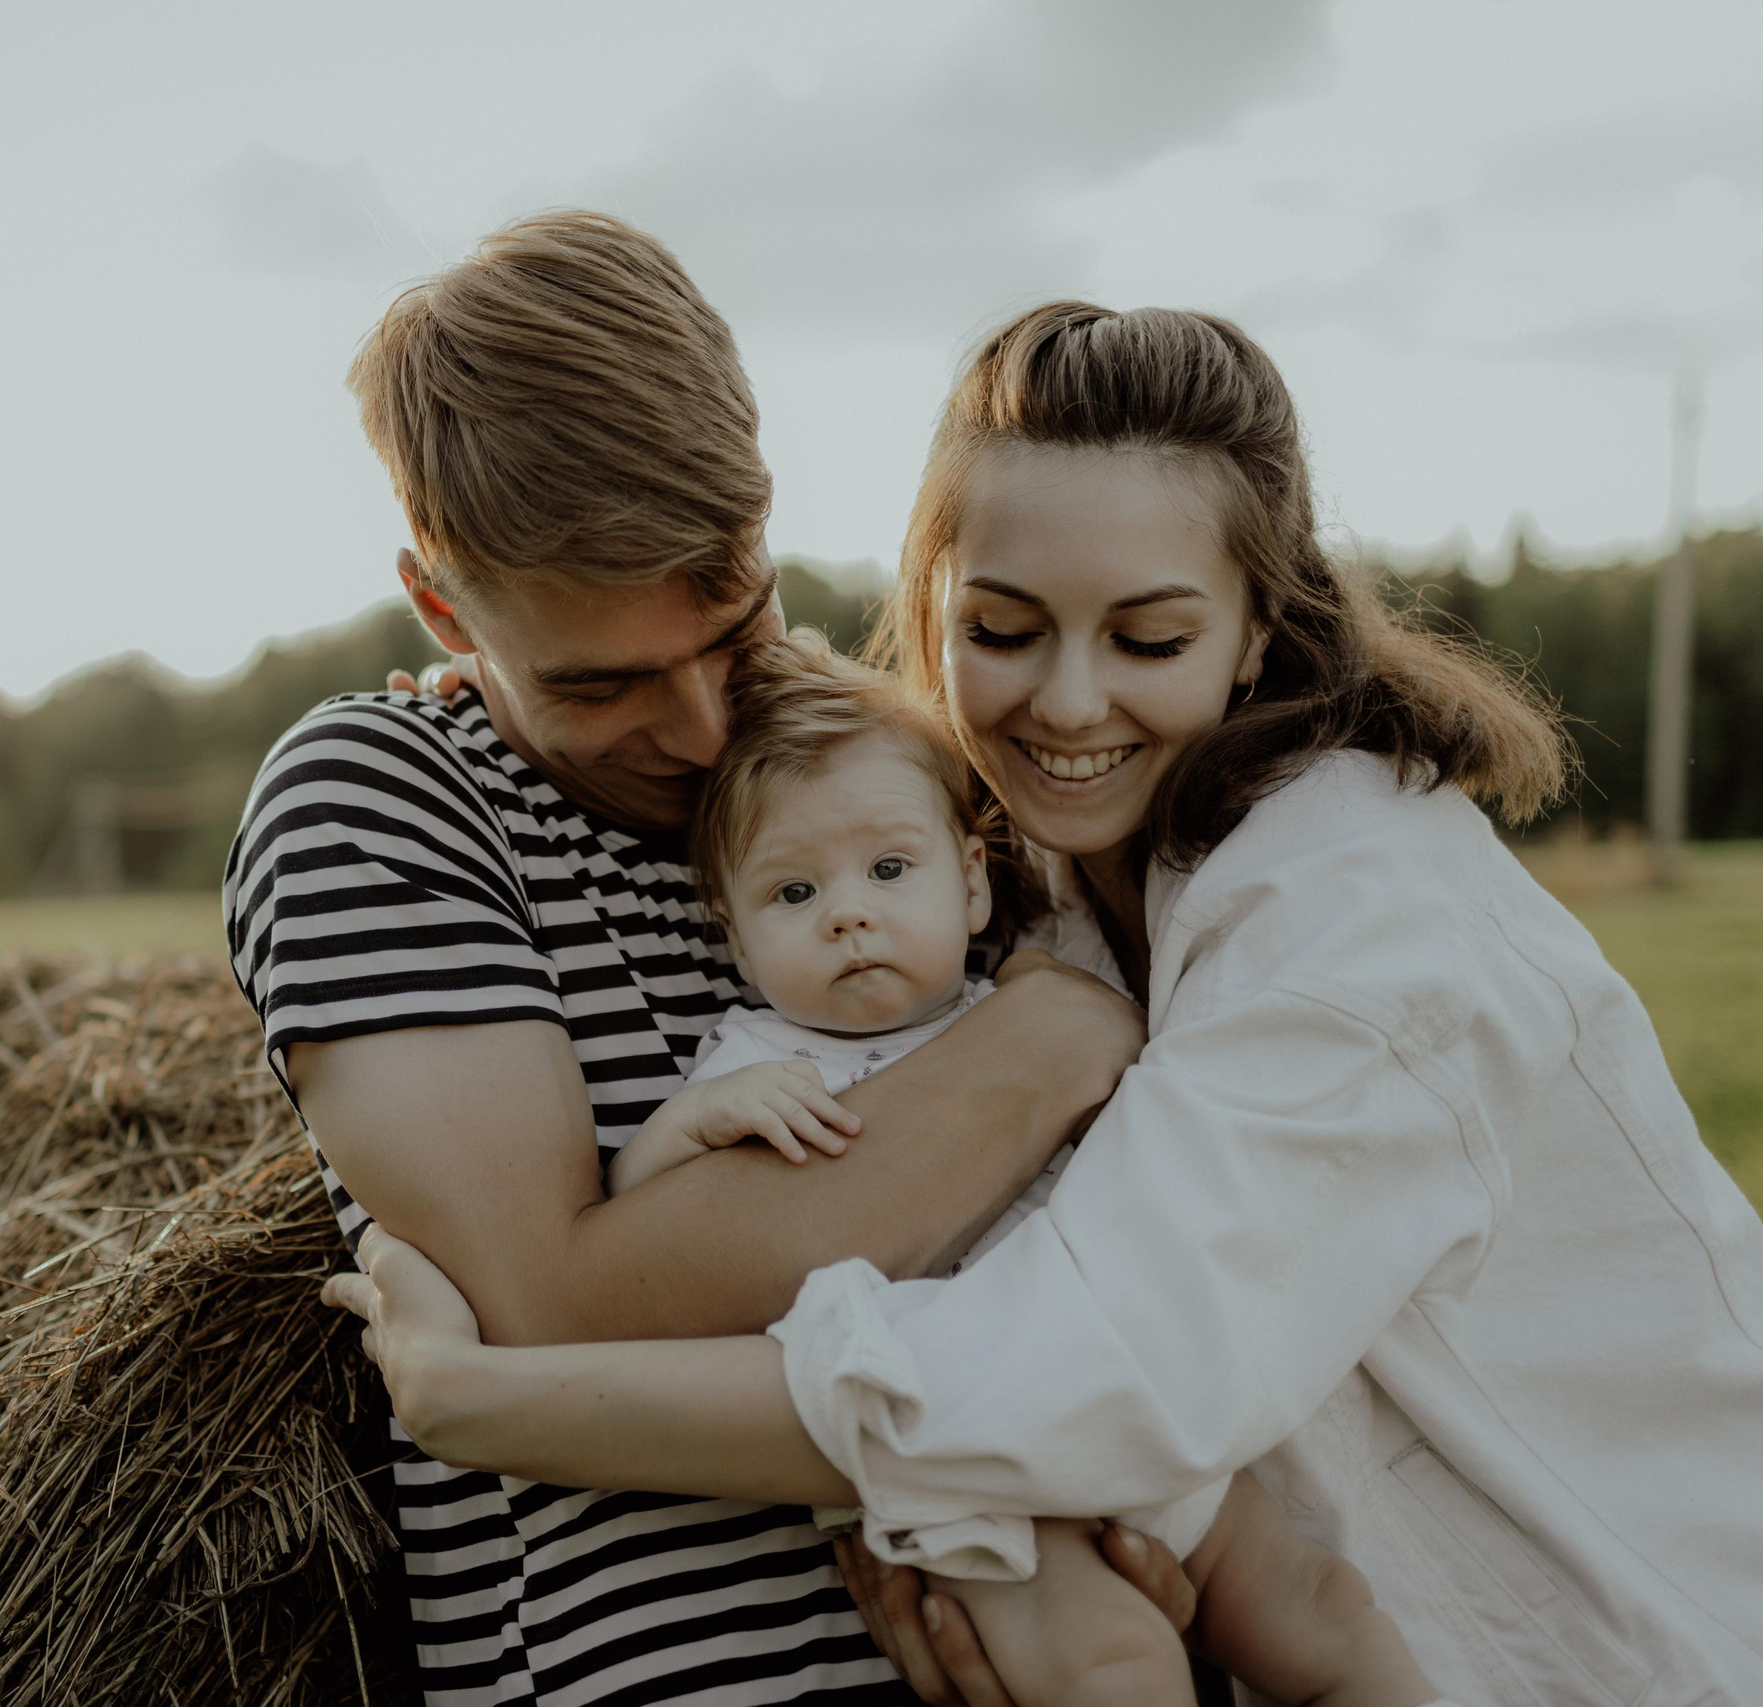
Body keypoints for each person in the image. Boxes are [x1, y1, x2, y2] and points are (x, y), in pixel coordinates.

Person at [325, 299, 1763, 1705]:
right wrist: (493, 687)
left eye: (1148, 639)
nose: (1070, 705)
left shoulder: (1363, 913)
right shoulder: (1038, 866)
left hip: (1628, 1644)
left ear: (1259, 626)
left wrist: (481, 1404)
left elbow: (1095, 1370)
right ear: (930, 608)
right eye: (1004, 628)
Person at [224, 215, 1171, 1703]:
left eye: (734, 626)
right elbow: (564, 1307)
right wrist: (1058, 1040)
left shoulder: (850, 743)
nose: (705, 733)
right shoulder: (378, 801)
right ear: (441, 605)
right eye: (598, 682)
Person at [578, 630, 1433, 1707]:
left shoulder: (1020, 1008)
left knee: (1319, 1608)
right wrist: (693, 1126)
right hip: (957, 1454)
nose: (847, 913)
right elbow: (631, 1238)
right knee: (1108, 1662)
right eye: (792, 895)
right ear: (734, 938)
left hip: (1112, 1383)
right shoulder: (756, 1064)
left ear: (971, 886)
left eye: (890, 871)